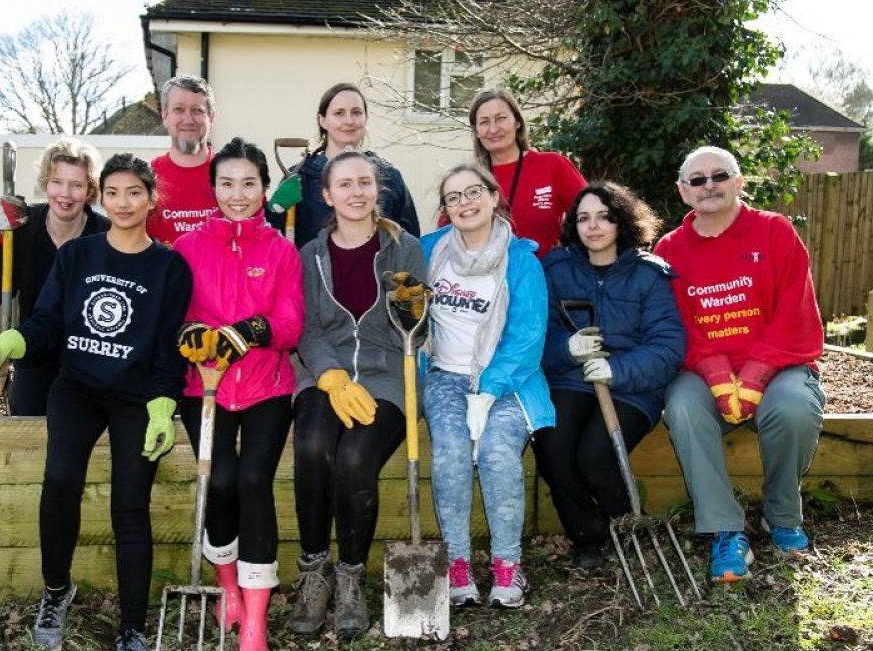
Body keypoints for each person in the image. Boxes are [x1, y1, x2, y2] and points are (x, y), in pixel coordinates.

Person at [0, 154, 193, 651]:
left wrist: (162, 406)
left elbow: (168, 351)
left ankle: (132, 626)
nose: (123, 202)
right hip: (78, 389)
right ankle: (56, 590)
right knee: (61, 479)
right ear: (102, 198)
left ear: (152, 198)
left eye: (134, 192)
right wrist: (8, 343)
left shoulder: (170, 266)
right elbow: (47, 324)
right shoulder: (78, 257)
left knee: (130, 505)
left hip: (136, 398)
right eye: (113, 192)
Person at [654, 146, 824, 584]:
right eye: (697, 180)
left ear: (739, 182)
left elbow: (796, 309)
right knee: (684, 409)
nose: (709, 185)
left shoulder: (775, 231)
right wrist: (714, 371)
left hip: (779, 363)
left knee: (792, 408)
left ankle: (782, 515)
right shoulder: (669, 248)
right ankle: (725, 529)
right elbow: (676, 324)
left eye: (719, 175)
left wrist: (757, 372)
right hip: (703, 370)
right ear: (683, 192)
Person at [287, 150, 426, 639]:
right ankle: (314, 572)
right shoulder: (310, 254)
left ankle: (349, 577)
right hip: (322, 374)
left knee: (354, 461)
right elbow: (304, 326)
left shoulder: (403, 246)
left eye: (364, 183)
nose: (356, 192)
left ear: (377, 190)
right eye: (344, 185)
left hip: (386, 372)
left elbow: (415, 330)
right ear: (327, 195)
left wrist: (413, 310)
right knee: (312, 447)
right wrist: (328, 374)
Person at [171, 138, 304, 651]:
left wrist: (249, 329)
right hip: (202, 387)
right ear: (213, 189)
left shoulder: (280, 250)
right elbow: (175, 315)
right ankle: (228, 588)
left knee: (254, 480)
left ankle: (255, 618)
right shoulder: (188, 248)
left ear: (264, 188)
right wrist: (188, 335)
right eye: (227, 183)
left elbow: (291, 324)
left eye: (249, 183)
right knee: (221, 482)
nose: (238, 194)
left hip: (267, 386)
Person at [419, 162, 555, 609]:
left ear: (494, 196)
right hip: (445, 376)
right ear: (445, 209)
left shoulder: (521, 261)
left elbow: (528, 336)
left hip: (508, 379)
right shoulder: (428, 252)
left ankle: (507, 566)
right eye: (453, 197)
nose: (465, 203)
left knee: (497, 453)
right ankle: (456, 563)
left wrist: (490, 389)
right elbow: (405, 310)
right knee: (452, 453)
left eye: (473, 192)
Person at [537, 182, 685, 569]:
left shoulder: (649, 275)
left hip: (634, 388)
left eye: (604, 217)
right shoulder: (555, 270)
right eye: (584, 218)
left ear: (622, 222)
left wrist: (617, 369)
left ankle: (630, 530)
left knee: (594, 456)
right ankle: (590, 535)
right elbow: (535, 336)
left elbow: (668, 346)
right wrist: (566, 348)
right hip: (571, 379)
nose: (594, 226)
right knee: (552, 448)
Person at [0, 137, 111, 415]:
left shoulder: (105, 235)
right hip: (35, 353)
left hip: (89, 356)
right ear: (45, 183)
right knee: (27, 422)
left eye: (76, 185)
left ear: (90, 190)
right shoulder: (23, 227)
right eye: (57, 182)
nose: (65, 194)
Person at [269, 82, 421, 248]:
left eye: (356, 112)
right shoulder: (300, 177)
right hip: (314, 271)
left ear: (365, 118)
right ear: (322, 120)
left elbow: (409, 239)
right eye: (339, 113)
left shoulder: (389, 176)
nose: (349, 121)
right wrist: (275, 211)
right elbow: (272, 242)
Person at [449, 88, 586, 258]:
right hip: (483, 280)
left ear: (517, 122)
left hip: (546, 279)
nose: (493, 129)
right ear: (476, 131)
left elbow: (593, 215)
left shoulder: (553, 165)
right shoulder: (467, 180)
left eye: (501, 118)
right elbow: (446, 235)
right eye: (484, 122)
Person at [147, 74, 219, 247]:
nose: (188, 120)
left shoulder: (233, 173)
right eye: (179, 109)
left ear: (211, 118)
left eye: (197, 110)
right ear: (165, 116)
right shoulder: (146, 178)